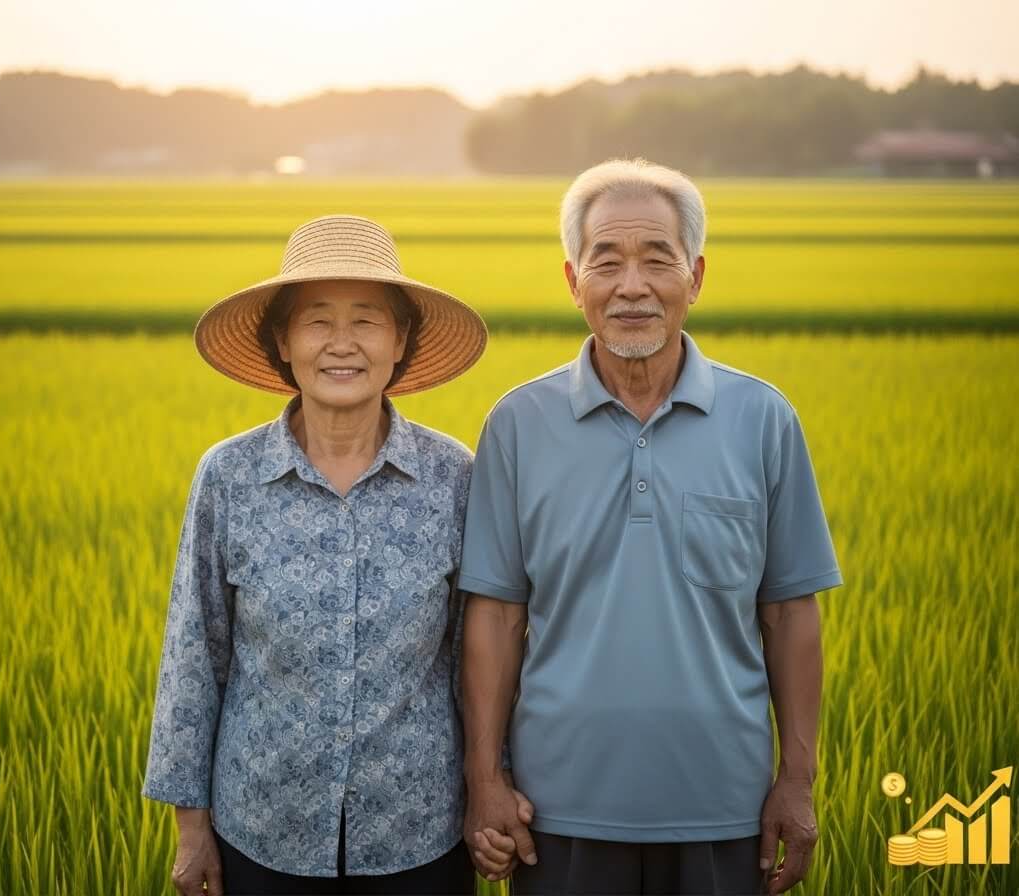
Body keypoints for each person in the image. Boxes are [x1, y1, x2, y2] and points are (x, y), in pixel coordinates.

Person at [458, 158, 843, 896]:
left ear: (694, 277)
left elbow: (791, 611)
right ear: (572, 282)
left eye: (655, 259)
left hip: (724, 809)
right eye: (605, 261)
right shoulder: (517, 424)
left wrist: (796, 781)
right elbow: (495, 614)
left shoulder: (762, 419)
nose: (630, 285)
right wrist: (485, 779)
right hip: (556, 814)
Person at [141, 215, 500, 895]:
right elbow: (195, 650)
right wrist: (191, 828)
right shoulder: (229, 476)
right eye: (315, 322)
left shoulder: (455, 477)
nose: (342, 344)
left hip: (417, 829)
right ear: (282, 342)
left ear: (400, 342)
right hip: (263, 824)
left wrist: (494, 784)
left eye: (366, 321)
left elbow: (480, 650)